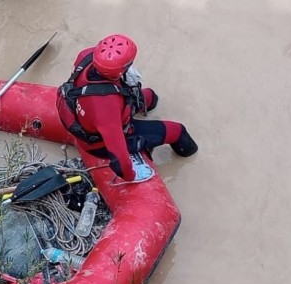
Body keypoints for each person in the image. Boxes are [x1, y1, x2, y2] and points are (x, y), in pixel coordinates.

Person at [55, 34, 197, 182]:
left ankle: (147, 105)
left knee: (150, 97)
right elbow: (119, 158)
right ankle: (191, 159)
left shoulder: (86, 55)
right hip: (98, 143)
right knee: (177, 131)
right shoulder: (105, 109)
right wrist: (131, 175)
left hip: (92, 107)